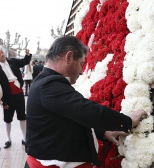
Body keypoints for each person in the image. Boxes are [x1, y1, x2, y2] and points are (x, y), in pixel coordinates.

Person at [25, 36, 147, 168]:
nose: (82, 71)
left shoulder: (45, 81)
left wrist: (102, 132)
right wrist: (128, 121)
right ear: (69, 57)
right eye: (81, 64)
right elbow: (87, 111)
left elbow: (70, 116)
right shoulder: (49, 84)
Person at [0, 47, 32, 149]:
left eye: (2, 52)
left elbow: (25, 61)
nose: (1, 54)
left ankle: (24, 138)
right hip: (8, 97)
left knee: (22, 117)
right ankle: (8, 139)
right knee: (7, 119)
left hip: (19, 94)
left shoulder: (13, 61)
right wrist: (3, 102)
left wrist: (27, 55)